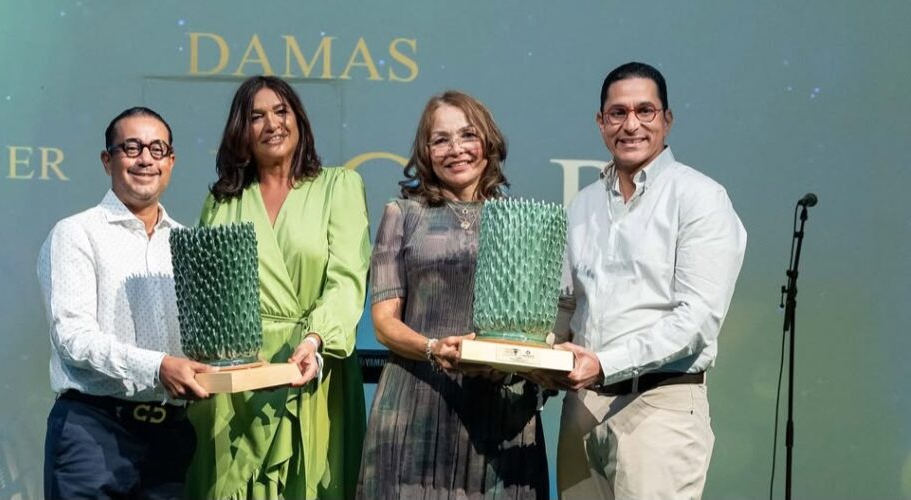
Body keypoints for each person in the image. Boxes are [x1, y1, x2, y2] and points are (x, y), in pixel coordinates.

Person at [549, 62, 747, 499]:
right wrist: (532, 358)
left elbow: (695, 321)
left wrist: (604, 363)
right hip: (582, 409)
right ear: (601, 122)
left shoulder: (700, 198)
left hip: (659, 406)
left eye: (645, 111)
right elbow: (567, 305)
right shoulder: (582, 205)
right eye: (618, 113)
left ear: (667, 119)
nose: (631, 125)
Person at [356, 91, 549, 499]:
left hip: (499, 405)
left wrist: (515, 364)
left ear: (488, 142)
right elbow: (384, 322)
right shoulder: (402, 214)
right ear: (426, 152)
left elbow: (536, 324)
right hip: (416, 403)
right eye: (440, 140)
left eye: (467, 135)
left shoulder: (518, 220)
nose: (456, 149)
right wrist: (432, 348)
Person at [185, 76, 370, 500]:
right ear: (241, 130)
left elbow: (347, 280)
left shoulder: (338, 186)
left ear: (299, 119)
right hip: (237, 382)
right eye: (257, 116)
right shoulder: (222, 201)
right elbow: (204, 297)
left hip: (312, 367)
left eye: (281, 111)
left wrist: (316, 339)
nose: (272, 123)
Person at [38, 106, 213, 500]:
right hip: (94, 432)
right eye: (132, 148)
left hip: (170, 438)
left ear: (171, 162)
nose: (145, 159)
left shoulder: (185, 242)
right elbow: (73, 338)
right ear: (108, 160)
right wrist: (158, 366)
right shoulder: (76, 233)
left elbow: (196, 344)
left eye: (157, 149)